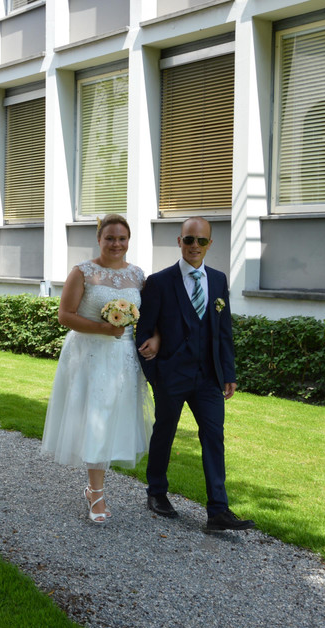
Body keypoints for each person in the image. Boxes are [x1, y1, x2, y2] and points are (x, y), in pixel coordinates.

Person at [136, 216, 255, 532]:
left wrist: (228, 372)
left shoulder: (218, 280)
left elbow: (224, 330)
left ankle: (218, 511)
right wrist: (155, 376)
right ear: (179, 241)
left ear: (210, 244)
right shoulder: (159, 282)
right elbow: (143, 332)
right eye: (189, 239)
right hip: (171, 376)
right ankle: (156, 492)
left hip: (208, 377)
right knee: (165, 432)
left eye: (201, 241)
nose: (194, 246)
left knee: (214, 436)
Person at [41, 214, 156, 525]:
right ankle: (96, 493)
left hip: (124, 358)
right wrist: (103, 328)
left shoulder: (138, 275)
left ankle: (94, 488)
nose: (116, 244)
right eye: (110, 238)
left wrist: (155, 338)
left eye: (122, 238)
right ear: (99, 239)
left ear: (128, 241)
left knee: (115, 420)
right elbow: (65, 315)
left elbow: (148, 317)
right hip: (90, 355)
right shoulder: (83, 272)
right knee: (97, 419)